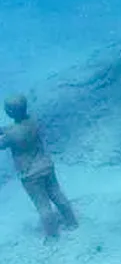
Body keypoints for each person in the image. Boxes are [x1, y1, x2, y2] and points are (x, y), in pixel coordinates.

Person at [2, 95, 79, 242]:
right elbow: (15, 129)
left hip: (30, 173)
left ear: (9, 112)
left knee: (42, 205)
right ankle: (72, 222)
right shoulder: (33, 120)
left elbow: (4, 141)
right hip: (46, 166)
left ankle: (52, 236)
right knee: (57, 194)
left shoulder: (11, 134)